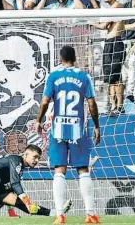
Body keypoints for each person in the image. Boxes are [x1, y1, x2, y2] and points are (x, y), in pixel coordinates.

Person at [35, 46, 101, 225]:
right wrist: (96, 126)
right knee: (83, 170)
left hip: (58, 130)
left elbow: (45, 101)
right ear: (75, 57)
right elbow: (92, 104)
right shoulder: (83, 76)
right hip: (78, 130)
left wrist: (39, 120)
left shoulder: (54, 76)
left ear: (60, 57)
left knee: (59, 171)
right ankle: (90, 214)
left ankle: (60, 215)